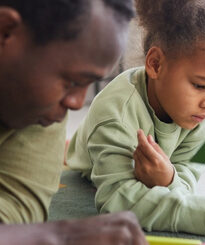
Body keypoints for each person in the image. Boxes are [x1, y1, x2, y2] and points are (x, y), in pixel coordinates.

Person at [67, 0, 205, 236]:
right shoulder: (114, 115)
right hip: (103, 150)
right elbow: (119, 201)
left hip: (179, 142)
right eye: (200, 85)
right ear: (156, 64)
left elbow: (184, 186)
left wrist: (169, 177)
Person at [0, 0, 147, 244]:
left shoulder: (39, 113)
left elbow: (15, 212)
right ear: (5, 31)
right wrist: (61, 235)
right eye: (71, 82)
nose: (77, 103)